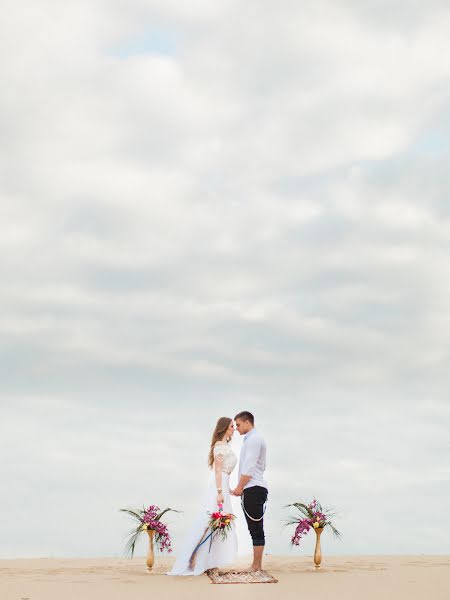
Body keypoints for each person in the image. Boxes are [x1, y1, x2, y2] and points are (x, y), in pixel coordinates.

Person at [167, 417, 238, 575]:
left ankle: (208, 560)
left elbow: (224, 472)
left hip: (223, 485)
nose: (234, 429)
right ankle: (192, 560)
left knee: (218, 524)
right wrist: (220, 492)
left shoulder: (225, 446)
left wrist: (228, 488)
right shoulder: (220, 446)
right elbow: (218, 470)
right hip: (218, 487)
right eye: (231, 426)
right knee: (209, 522)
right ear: (224, 428)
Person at [231, 411, 268, 572]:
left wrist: (239, 487)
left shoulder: (254, 439)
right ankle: (256, 565)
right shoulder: (251, 439)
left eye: (238, 424)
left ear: (247, 422)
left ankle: (256, 566)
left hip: (253, 488)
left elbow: (249, 468)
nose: (237, 429)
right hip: (252, 488)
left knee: (256, 528)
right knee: (254, 528)